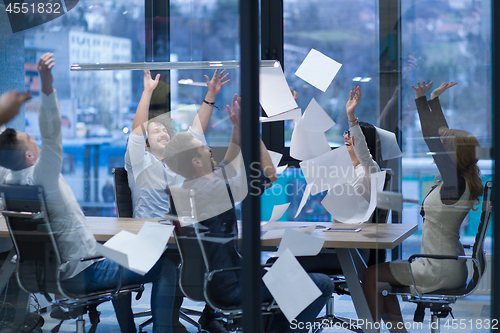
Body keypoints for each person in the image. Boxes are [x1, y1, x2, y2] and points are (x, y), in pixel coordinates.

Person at [0, 53, 177, 333]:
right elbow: (52, 132)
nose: (35, 138)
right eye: (30, 139)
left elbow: (7, 147)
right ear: (31, 154)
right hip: (81, 272)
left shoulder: (8, 177)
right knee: (166, 268)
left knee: (121, 252)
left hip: (47, 274)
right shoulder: (42, 176)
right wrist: (47, 86)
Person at [164, 94, 334, 333]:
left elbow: (230, 161)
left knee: (286, 272)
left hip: (210, 281)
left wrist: (238, 127)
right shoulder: (214, 189)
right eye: (203, 147)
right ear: (196, 161)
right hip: (231, 285)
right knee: (322, 285)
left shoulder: (191, 188)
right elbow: (269, 174)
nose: (209, 147)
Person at [362, 81, 483, 332]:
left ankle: (370, 330)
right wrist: (433, 100)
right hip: (447, 264)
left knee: (371, 275)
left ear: (452, 156)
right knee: (382, 282)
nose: (438, 151)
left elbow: (434, 140)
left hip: (436, 268)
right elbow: (443, 137)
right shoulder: (462, 181)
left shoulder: (454, 183)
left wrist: (421, 100)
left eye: (444, 150)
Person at [125, 69, 229, 332]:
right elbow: (138, 131)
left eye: (165, 129)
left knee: (218, 254)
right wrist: (147, 92)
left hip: (181, 235)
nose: (161, 132)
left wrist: (210, 95)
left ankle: (210, 314)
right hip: (149, 237)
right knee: (170, 267)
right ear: (146, 142)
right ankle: (161, 326)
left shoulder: (180, 164)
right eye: (155, 130)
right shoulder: (140, 162)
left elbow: (197, 131)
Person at [295, 86, 381, 273]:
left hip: (354, 247)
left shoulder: (371, 171)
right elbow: (308, 154)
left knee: (296, 260)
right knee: (290, 253)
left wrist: (351, 118)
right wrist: (295, 113)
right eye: (347, 133)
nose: (348, 137)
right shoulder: (338, 167)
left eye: (353, 135)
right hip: (334, 239)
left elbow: (364, 154)